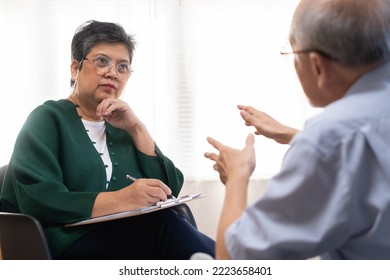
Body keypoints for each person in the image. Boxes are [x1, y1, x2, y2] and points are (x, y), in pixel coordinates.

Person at [0, 20, 214, 260]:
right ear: (75, 68)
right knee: (163, 227)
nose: (113, 72)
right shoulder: (47, 118)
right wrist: (121, 199)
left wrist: (137, 128)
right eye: (102, 61)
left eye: (123, 66)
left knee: (168, 221)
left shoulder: (121, 126)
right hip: (62, 245)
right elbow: (38, 199)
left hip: (129, 237)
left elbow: (169, 189)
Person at [205, 0, 390, 259]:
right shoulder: (344, 136)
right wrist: (292, 135)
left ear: (317, 66)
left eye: (292, 53)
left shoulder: (330, 139)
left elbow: (236, 263)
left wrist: (237, 176)